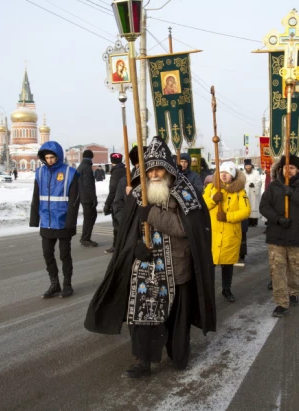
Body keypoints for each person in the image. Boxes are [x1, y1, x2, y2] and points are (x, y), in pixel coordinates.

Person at [84, 136, 216, 378]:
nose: (154, 174)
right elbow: (127, 229)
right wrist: (135, 247)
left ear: (168, 169)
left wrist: (152, 215)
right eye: (150, 169)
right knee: (142, 316)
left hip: (177, 268)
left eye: (158, 169)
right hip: (146, 268)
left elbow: (184, 228)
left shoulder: (185, 192)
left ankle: (177, 353)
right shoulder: (138, 193)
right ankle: (143, 361)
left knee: (177, 318)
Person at [260, 154, 299, 316]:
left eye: (292, 168)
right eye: (286, 167)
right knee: (277, 270)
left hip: (296, 235)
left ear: (298, 170)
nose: (288, 171)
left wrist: (292, 194)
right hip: (276, 235)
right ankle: (281, 302)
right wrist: (277, 219)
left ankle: (293, 292)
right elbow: (264, 207)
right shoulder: (274, 186)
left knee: (295, 269)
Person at [29, 141, 80, 299]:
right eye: (47, 157)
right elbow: (36, 197)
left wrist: (70, 222)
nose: (50, 160)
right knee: (47, 254)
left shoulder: (70, 173)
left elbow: (74, 199)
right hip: (46, 221)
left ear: (58, 156)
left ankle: (67, 285)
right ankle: (54, 284)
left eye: (52, 157)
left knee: (65, 255)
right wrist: (34, 219)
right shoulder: (39, 173)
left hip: (63, 221)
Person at [203, 161, 251, 302]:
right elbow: (201, 205)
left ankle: (226, 289)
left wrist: (228, 217)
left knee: (227, 264)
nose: (224, 175)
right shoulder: (211, 188)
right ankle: (208, 291)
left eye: (228, 172)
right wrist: (213, 200)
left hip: (230, 234)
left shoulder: (239, 192)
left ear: (233, 175)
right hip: (213, 233)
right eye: (222, 172)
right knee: (209, 264)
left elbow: (246, 211)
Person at [103, 153, 126, 254]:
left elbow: (113, 190)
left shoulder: (115, 172)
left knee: (117, 225)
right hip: (125, 200)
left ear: (111, 161)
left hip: (117, 201)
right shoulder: (125, 170)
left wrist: (107, 203)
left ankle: (116, 246)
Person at [76, 149, 99, 247]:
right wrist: (94, 198)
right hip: (87, 198)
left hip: (83, 196)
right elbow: (88, 185)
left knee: (89, 217)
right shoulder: (87, 168)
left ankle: (85, 237)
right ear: (91, 157)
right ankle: (85, 238)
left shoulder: (81, 166)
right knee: (90, 218)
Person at [243, 159, 263, 227]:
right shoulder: (243, 173)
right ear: (245, 166)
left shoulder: (256, 172)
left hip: (254, 193)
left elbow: (260, 182)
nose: (248, 167)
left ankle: (254, 222)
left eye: (249, 166)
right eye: (247, 166)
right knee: (247, 205)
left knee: (254, 206)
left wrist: (254, 185)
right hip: (246, 192)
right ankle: (247, 221)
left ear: (251, 166)